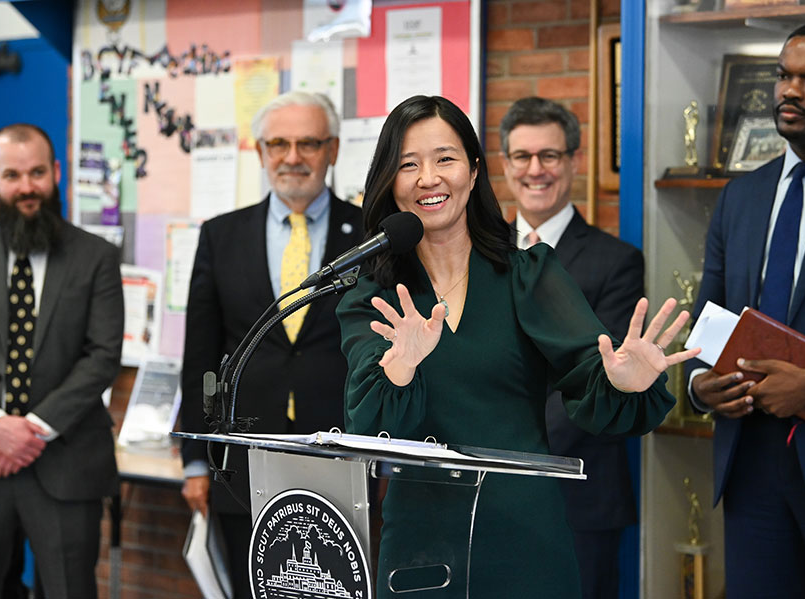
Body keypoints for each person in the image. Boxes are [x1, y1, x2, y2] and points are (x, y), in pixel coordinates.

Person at [336, 95, 698, 598]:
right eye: (408, 165)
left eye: (445, 159)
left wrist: (624, 381)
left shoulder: (527, 274)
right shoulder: (372, 296)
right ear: (388, 181)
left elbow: (591, 377)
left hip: (526, 538)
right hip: (421, 544)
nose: (428, 178)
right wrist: (401, 367)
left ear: (473, 170)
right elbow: (368, 433)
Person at [687, 21, 805, 598]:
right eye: (784, 76)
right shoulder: (742, 194)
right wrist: (699, 385)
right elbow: (709, 318)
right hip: (750, 464)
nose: (790, 91)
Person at [179, 91, 363, 598]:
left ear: (333, 149)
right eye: (278, 144)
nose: (292, 157)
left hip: (342, 457)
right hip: (243, 462)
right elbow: (200, 358)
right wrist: (195, 460)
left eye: (309, 143)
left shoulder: (370, 236)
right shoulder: (221, 236)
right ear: (260, 152)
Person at [0, 123, 124, 598]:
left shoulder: (96, 257)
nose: (26, 187)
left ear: (56, 173)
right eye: (12, 175)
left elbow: (102, 356)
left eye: (36, 173)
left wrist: (29, 430)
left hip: (68, 466)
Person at [500, 96, 644, 599]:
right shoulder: (475, 254)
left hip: (577, 497)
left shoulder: (616, 262)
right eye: (522, 156)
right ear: (505, 165)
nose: (535, 170)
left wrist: (509, 449)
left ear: (574, 161)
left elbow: (600, 380)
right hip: (482, 494)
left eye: (550, 155)